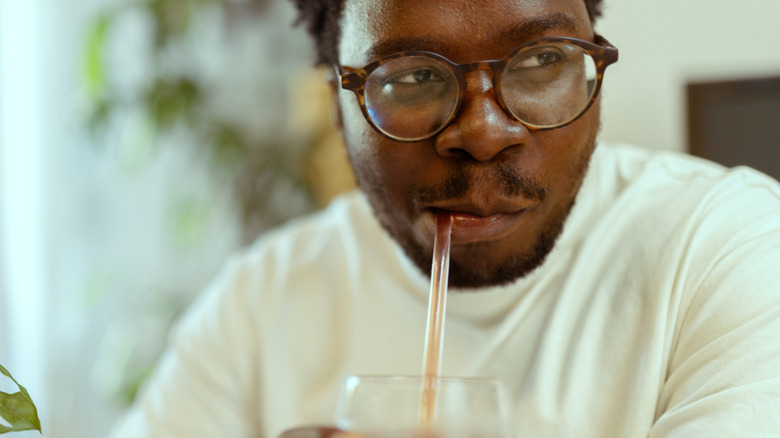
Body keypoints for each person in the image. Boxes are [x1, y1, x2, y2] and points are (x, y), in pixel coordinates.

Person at [109, 0, 780, 437]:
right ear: (334, 98)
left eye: (542, 60)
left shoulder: (724, 248)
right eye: (411, 76)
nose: (484, 134)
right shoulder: (264, 300)